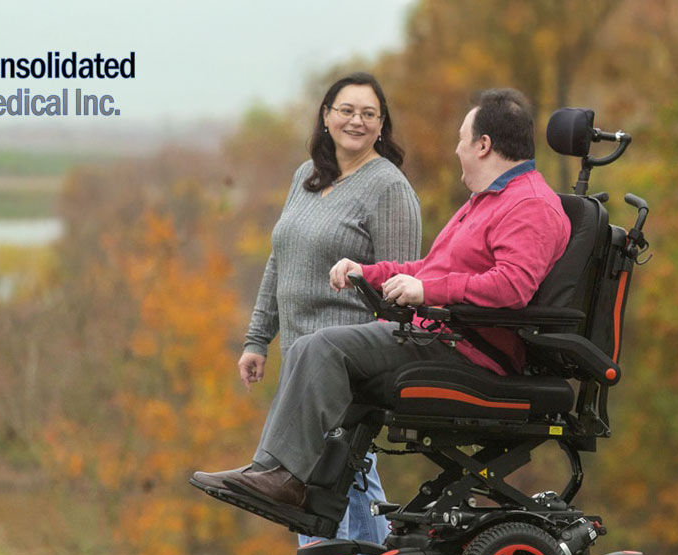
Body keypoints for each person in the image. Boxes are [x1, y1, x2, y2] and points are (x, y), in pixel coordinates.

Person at [192, 88, 571, 517]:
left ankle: (285, 479)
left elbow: (513, 287)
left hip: (470, 353)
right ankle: (286, 482)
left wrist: (427, 292)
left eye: (462, 139)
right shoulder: (487, 202)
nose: (457, 149)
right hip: (442, 338)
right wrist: (368, 272)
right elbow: (430, 267)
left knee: (324, 347)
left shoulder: (529, 205)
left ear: (483, 145)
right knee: (310, 347)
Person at [191, 72, 421, 555]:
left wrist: (373, 358)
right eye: (346, 110)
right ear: (325, 115)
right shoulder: (307, 177)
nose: (356, 121)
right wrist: (258, 339)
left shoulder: (389, 188)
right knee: (330, 466)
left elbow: (401, 282)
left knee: (343, 465)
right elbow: (280, 261)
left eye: (369, 113)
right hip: (302, 352)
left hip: (350, 356)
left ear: (382, 125)